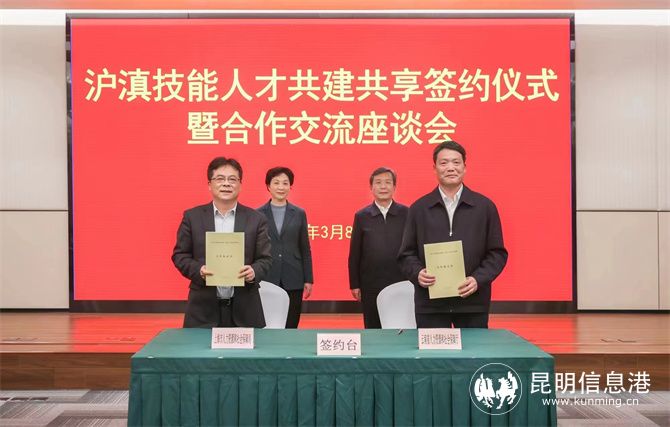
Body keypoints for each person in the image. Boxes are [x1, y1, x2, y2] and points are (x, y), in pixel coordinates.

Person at [398, 141, 508, 328]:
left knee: (473, 348)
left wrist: (477, 279)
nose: (450, 168)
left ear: (465, 167)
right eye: (444, 163)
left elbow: (497, 253)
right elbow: (406, 254)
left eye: (456, 162)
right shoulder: (419, 208)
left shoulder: (485, 207)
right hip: (430, 305)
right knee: (432, 349)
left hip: (472, 303)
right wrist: (418, 273)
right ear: (434, 168)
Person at [172, 157, 272, 328]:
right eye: (220, 178)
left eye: (232, 179)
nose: (226, 184)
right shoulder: (192, 217)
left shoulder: (256, 219)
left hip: (245, 310)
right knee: (200, 347)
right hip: (202, 310)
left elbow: (266, 259)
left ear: (240, 184)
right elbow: (180, 255)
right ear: (209, 184)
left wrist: (254, 271)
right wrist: (199, 270)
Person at [348, 167, 409, 328]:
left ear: (394, 187)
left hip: (401, 280)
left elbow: (413, 248)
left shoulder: (407, 213)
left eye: (388, 182)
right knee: (373, 326)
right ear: (371, 187)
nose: (383, 187)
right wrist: (354, 283)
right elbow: (355, 253)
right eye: (378, 183)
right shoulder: (362, 216)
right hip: (371, 283)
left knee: (401, 325)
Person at [258, 167, 314, 328]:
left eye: (285, 183)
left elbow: (305, 248)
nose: (281, 187)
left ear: (290, 186)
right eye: (276, 183)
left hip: (293, 276)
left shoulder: (299, 213)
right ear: (268, 186)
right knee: (267, 322)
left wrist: (308, 279)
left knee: (291, 323)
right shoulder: (258, 214)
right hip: (267, 275)